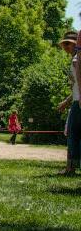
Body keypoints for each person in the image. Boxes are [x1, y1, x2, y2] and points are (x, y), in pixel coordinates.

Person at [57, 30, 80, 175]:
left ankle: (70, 168)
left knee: (73, 133)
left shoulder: (76, 60)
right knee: (74, 134)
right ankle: (70, 167)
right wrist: (66, 101)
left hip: (78, 102)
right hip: (76, 100)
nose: (65, 47)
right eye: (64, 44)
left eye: (68, 44)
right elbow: (76, 86)